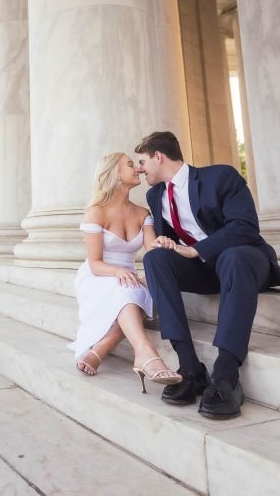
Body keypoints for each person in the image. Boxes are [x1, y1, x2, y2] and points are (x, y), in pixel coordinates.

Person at [134, 131, 280, 419]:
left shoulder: (220, 177)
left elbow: (246, 228)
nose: (140, 169)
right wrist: (168, 245)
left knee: (235, 256)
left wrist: (197, 249)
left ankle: (226, 373)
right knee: (155, 258)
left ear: (158, 156)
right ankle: (189, 368)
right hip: (205, 272)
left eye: (142, 161)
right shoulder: (155, 195)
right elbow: (170, 242)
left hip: (245, 262)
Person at [71, 152, 182, 393]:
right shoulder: (96, 212)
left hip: (126, 277)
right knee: (127, 291)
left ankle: (99, 351)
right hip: (99, 275)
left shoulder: (143, 214)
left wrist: (163, 243)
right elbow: (95, 263)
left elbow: (152, 250)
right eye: (131, 165)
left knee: (140, 292)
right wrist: (118, 271)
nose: (138, 169)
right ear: (115, 174)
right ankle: (146, 353)